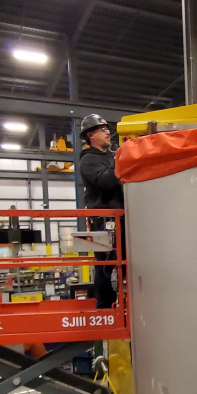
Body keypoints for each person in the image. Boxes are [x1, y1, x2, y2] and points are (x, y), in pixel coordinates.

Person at [77, 114, 124, 309]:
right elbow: (105, 181)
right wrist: (122, 158)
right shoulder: (88, 160)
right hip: (103, 220)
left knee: (125, 259)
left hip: (121, 217)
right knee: (104, 264)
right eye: (102, 129)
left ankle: (124, 297)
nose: (108, 132)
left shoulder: (112, 156)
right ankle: (104, 303)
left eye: (107, 128)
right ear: (90, 135)